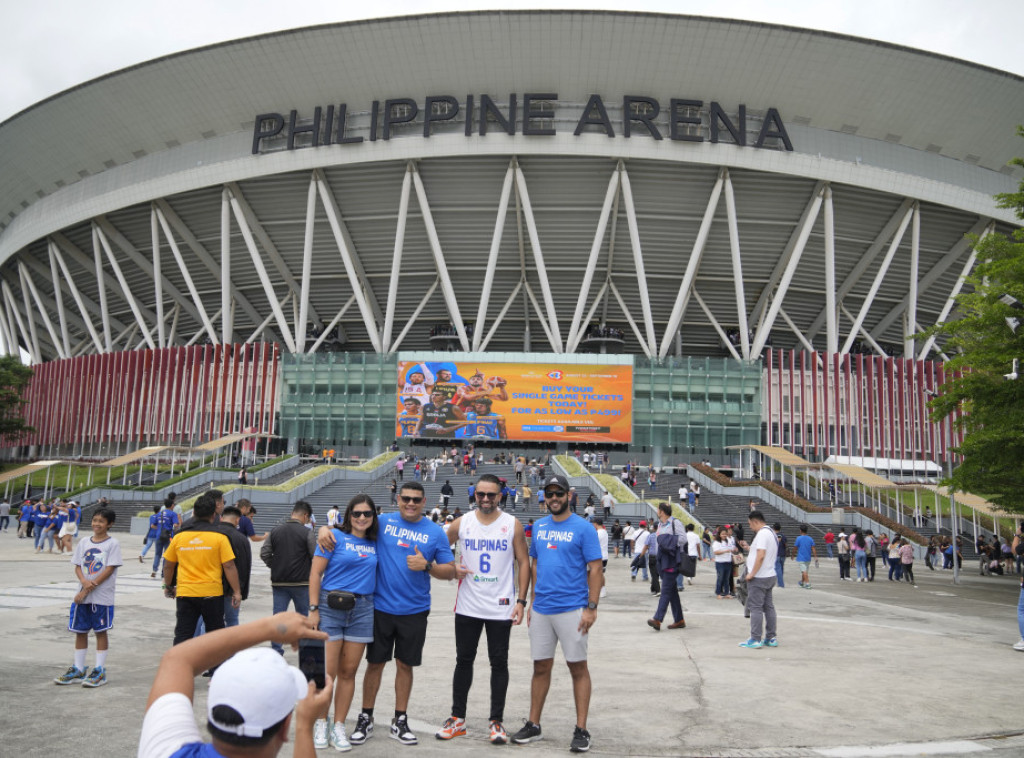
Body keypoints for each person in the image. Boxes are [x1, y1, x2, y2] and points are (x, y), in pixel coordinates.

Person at [317, 481, 456, 746]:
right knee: (375, 664)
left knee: (405, 665)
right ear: (398, 499)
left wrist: (427, 566)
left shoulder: (435, 532)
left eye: (416, 499)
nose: (411, 503)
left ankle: (400, 719)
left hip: (414, 609)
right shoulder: (381, 522)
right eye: (406, 498)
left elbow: (450, 570)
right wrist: (324, 528)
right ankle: (366, 716)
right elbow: (352, 524)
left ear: (425, 502)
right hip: (378, 607)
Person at [137, 612, 332, 758]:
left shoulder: (164, 750)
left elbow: (177, 658)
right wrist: (305, 728)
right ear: (285, 728)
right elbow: (177, 660)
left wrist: (270, 628)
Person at [435, 474, 529, 745]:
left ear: (500, 496)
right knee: (463, 661)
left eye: (491, 495)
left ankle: (496, 722)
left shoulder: (512, 524)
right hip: (468, 605)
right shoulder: (462, 523)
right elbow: (437, 546)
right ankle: (457, 719)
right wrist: (451, 568)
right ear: (474, 495)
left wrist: (521, 601)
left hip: (500, 607)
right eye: (481, 494)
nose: (486, 499)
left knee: (499, 663)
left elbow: (523, 563)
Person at [511, 474, 602, 753]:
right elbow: (535, 565)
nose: (553, 499)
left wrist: (591, 608)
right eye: (549, 494)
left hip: (573, 608)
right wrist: (531, 602)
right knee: (540, 666)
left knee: (577, 667)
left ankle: (581, 729)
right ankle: (534, 724)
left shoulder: (584, 529)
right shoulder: (538, 527)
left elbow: (596, 569)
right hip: (542, 610)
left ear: (569, 495)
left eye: (558, 494)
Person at [308, 495, 379, 751]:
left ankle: (339, 726)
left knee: (349, 672)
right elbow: (315, 573)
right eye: (356, 513)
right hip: (330, 607)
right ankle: (320, 722)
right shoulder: (332, 538)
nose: (362, 518)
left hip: (362, 609)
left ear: (373, 517)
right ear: (348, 515)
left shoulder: (376, 542)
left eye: (367, 514)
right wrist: (313, 609)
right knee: (326, 673)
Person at [53, 507, 122, 688]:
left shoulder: (112, 544)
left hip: (101, 597)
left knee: (100, 631)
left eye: (101, 521)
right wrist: (84, 582)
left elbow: (109, 568)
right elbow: (77, 565)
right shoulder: (84, 541)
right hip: (82, 596)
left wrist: (89, 586)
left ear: (110, 524)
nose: (96, 524)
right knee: (80, 631)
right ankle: (78, 668)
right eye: (95, 520)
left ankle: (99, 670)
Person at [162, 495, 241, 645]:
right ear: (214, 515)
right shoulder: (220, 537)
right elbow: (229, 566)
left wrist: (168, 586)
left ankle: (181, 666)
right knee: (214, 635)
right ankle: (214, 668)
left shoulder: (180, 537)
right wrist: (236, 591)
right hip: (212, 593)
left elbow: (168, 565)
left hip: (186, 593)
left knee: (183, 634)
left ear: (194, 513)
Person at [261, 501, 318, 654]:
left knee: (278, 617)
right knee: (303, 617)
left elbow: (264, 553)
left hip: (279, 583)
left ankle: (276, 649)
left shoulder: (275, 531)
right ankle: (304, 647)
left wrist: (276, 566)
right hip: (302, 583)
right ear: (305, 515)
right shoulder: (307, 533)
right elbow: (315, 556)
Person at [739, 509, 778, 649]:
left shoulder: (762, 534)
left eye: (750, 524)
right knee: (769, 607)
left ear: (756, 521)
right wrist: (750, 548)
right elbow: (761, 552)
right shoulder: (771, 533)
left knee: (755, 607)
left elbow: (761, 556)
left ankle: (755, 638)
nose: (750, 527)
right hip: (770, 575)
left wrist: (752, 574)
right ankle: (771, 637)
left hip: (759, 576)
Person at [647, 503, 686, 631]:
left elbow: (683, 539)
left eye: (658, 509)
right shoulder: (660, 524)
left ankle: (658, 619)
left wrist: (667, 541)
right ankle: (679, 619)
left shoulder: (675, 523)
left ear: (662, 511)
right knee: (672, 591)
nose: (657, 511)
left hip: (671, 560)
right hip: (661, 559)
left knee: (665, 590)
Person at [151, 500, 181, 578]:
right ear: (171, 505)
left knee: (157, 554)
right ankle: (163, 572)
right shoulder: (173, 514)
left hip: (159, 536)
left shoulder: (159, 514)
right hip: (168, 536)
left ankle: (154, 570)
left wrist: (159, 529)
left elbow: (152, 526)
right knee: (166, 555)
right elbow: (175, 524)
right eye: (173, 504)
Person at [712, 526, 736, 598]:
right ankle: (718, 593)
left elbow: (731, 549)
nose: (724, 535)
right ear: (719, 534)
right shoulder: (716, 542)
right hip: (720, 563)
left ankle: (726, 593)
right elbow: (716, 552)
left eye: (725, 534)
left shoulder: (728, 541)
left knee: (726, 579)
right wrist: (725, 551)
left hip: (728, 562)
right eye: (722, 534)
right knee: (720, 578)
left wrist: (734, 549)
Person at [794, 524, 816, 588]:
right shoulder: (810, 539)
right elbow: (813, 548)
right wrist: (815, 556)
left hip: (801, 558)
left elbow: (795, 547)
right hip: (808, 558)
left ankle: (807, 583)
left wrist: (793, 554)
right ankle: (802, 582)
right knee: (805, 571)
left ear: (800, 530)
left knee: (804, 571)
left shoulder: (798, 538)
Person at [773, 523, 787, 588]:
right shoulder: (783, 536)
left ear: (773, 528)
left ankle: (781, 584)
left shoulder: (772, 535)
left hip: (776, 554)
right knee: (781, 568)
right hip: (783, 554)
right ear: (780, 528)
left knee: (778, 569)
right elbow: (785, 544)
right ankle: (780, 582)